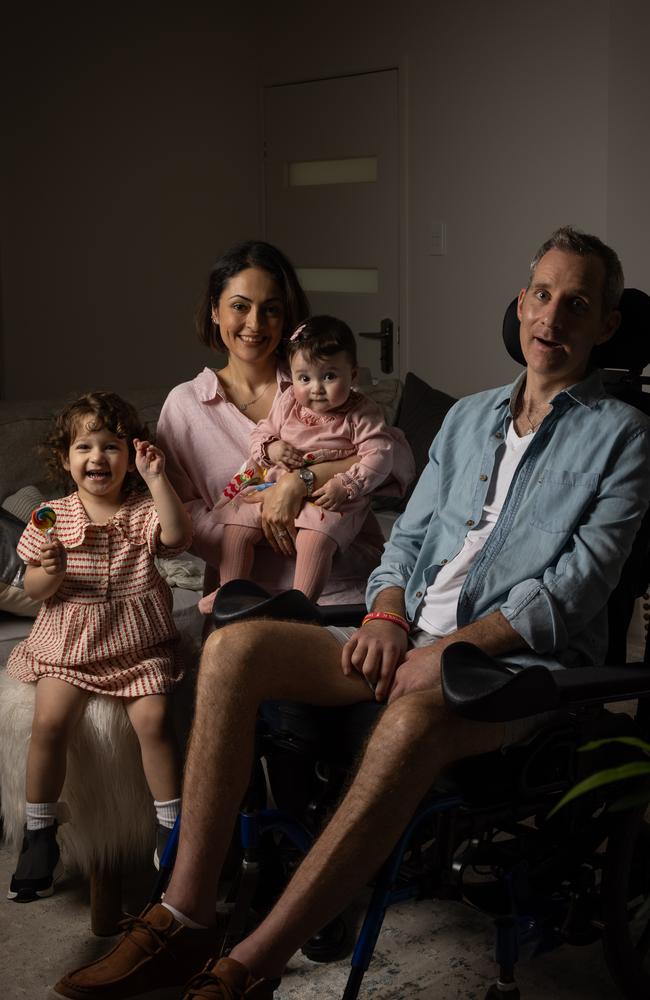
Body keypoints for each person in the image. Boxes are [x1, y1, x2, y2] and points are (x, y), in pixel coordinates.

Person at [54, 227, 650, 1000]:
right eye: (542, 293)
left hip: (513, 669)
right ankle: (185, 914)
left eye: (578, 302)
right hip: (406, 637)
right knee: (234, 648)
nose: (553, 315)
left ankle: (250, 966)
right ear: (520, 303)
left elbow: (576, 591)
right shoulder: (469, 419)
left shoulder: (626, 438)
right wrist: (389, 616)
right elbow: (405, 541)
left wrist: (456, 646)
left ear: (605, 324)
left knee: (408, 719)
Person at [6, 392, 192, 903]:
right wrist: (50, 569)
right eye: (83, 447)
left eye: (111, 446)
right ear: (65, 459)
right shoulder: (50, 515)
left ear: (130, 456)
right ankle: (40, 835)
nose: (97, 458)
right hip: (70, 643)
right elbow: (36, 590)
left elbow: (178, 537)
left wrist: (158, 480)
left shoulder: (142, 510)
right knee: (48, 724)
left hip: (137, 645)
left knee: (153, 722)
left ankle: (169, 827)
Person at [156, 241, 409, 610]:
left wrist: (300, 481)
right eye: (240, 307)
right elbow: (180, 516)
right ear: (215, 311)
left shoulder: (315, 383)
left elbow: (397, 462)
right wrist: (261, 525)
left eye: (270, 310)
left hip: (345, 587)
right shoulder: (186, 405)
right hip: (241, 597)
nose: (255, 324)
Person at [202, 315, 414, 605]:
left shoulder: (361, 413)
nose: (316, 387)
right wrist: (273, 448)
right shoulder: (288, 401)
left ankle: (300, 603)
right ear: (292, 376)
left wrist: (347, 484)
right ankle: (230, 591)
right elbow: (261, 432)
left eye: (329, 376)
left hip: (330, 496)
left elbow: (380, 454)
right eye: (305, 378)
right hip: (274, 485)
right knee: (237, 528)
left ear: (352, 375)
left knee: (314, 541)